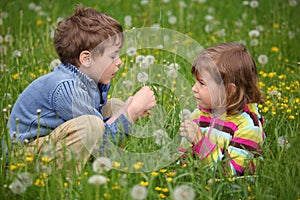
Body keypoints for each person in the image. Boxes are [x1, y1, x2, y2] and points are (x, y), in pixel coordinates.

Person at [7, 4, 156, 173]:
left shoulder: (90, 82)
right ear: (86, 59)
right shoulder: (67, 88)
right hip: (24, 157)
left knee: (114, 107)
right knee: (91, 125)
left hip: (53, 142)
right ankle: (63, 181)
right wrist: (131, 112)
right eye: (113, 56)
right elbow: (100, 134)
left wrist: (124, 110)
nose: (119, 61)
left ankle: (104, 168)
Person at [179, 42, 265, 176]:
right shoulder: (198, 114)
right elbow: (184, 156)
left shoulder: (247, 127)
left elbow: (230, 172)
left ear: (229, 91)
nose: (194, 88)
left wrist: (199, 142)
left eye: (202, 83)